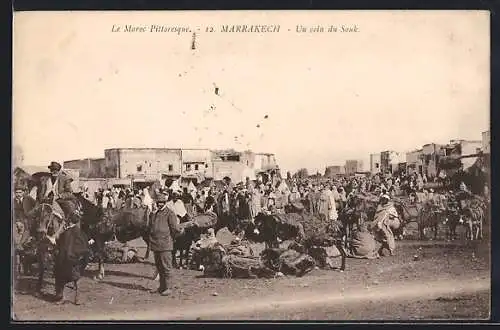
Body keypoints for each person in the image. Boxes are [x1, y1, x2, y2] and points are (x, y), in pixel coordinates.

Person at [148, 193, 182, 296]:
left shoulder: (170, 213)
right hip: (155, 244)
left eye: (162, 202)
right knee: (159, 267)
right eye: (158, 203)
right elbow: (150, 226)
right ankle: (161, 287)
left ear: (165, 203)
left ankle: (168, 287)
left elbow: (175, 229)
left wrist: (176, 235)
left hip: (166, 244)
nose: (160, 204)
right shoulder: (154, 214)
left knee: (166, 267)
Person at [53, 214, 90, 305]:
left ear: (69, 221)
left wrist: (61, 226)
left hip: (66, 260)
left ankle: (61, 297)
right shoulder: (81, 232)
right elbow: (85, 246)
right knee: (77, 278)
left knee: (61, 278)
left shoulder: (66, 233)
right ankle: (78, 299)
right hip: (77, 260)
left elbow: (57, 241)